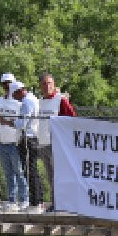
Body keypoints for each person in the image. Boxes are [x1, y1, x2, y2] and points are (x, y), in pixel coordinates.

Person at [36, 73, 76, 210]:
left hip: (56, 144)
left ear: (54, 84)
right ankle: (55, 203)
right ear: (40, 86)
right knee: (50, 176)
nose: (47, 86)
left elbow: (72, 119)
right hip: (42, 143)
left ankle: (62, 204)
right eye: (44, 84)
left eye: (50, 83)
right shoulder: (39, 102)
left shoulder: (61, 100)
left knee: (59, 176)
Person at [0, 78, 27, 212]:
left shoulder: (19, 103)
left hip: (14, 142)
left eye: (9, 83)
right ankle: (12, 200)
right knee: (8, 173)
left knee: (19, 172)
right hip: (0, 141)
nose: (7, 86)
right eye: (5, 84)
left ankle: (24, 199)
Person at [13, 81, 43, 212]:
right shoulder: (34, 99)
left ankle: (35, 203)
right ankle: (38, 201)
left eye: (14, 95)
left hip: (27, 139)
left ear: (19, 91)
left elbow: (22, 123)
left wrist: (11, 121)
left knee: (29, 172)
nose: (14, 98)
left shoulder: (26, 102)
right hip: (34, 137)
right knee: (32, 170)